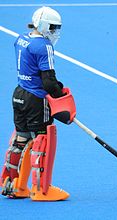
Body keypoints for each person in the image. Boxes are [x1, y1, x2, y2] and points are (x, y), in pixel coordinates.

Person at [1, 6, 73, 201]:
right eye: (53, 27)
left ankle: (13, 184)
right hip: (36, 99)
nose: (55, 32)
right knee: (42, 141)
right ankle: (41, 189)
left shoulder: (21, 39)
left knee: (21, 139)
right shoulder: (44, 46)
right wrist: (61, 97)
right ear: (43, 25)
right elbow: (48, 81)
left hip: (19, 94)